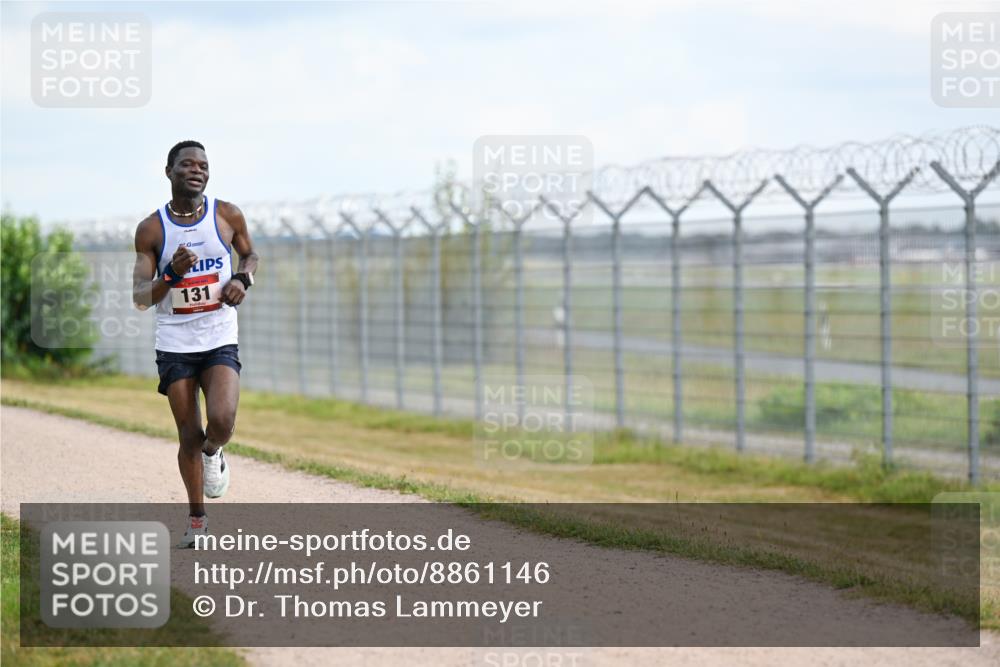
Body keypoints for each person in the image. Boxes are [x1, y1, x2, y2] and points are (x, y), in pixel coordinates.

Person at [132, 140, 259, 548]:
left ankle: (213, 451)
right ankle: (197, 521)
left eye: (203, 165)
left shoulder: (227, 215)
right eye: (187, 164)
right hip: (175, 342)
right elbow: (140, 297)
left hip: (219, 334)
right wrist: (170, 275)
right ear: (168, 172)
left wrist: (242, 279)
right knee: (188, 432)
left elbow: (251, 255)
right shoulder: (152, 229)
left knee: (220, 422)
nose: (197, 170)